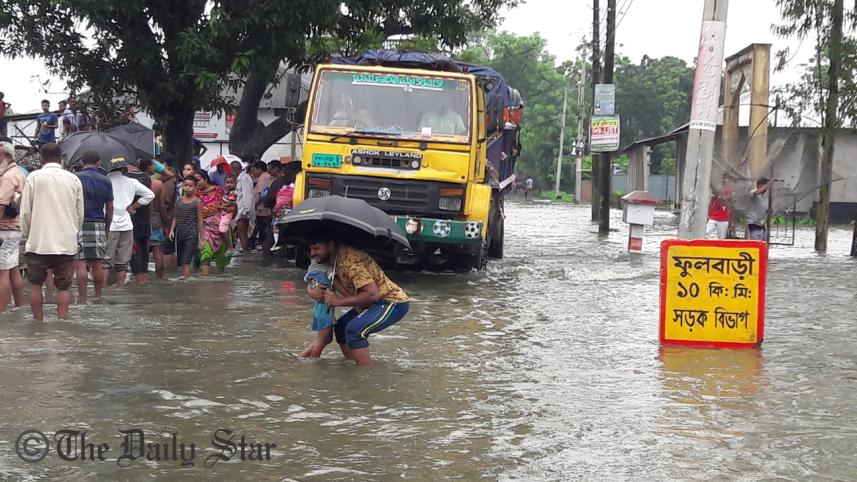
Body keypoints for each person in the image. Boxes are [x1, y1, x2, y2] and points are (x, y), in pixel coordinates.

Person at [307, 230, 410, 366]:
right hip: (369, 303)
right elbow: (316, 282)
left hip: (391, 302)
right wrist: (311, 291)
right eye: (310, 249)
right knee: (341, 328)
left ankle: (365, 375)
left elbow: (373, 295)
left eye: (316, 248)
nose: (313, 253)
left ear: (330, 245)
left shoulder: (349, 260)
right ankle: (353, 365)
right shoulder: (328, 261)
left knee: (354, 330)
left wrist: (338, 301)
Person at [20, 143, 84, 321]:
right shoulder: (73, 179)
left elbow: (25, 212)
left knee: (35, 285)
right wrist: (73, 233)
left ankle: (38, 324)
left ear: (41, 157)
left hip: (39, 241)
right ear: (61, 157)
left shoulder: (33, 178)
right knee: (64, 287)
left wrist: (27, 236)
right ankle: (62, 323)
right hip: (65, 242)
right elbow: (80, 214)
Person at [105, 158, 154, 289]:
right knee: (123, 263)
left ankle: (102, 291)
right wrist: (133, 206)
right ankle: (120, 288)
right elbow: (150, 195)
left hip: (110, 226)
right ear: (124, 169)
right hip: (127, 226)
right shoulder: (131, 182)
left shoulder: (105, 181)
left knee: (105, 262)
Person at [74, 150, 114, 302]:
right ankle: (98, 296)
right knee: (97, 262)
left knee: (80, 262)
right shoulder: (106, 180)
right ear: (98, 163)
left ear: (82, 163)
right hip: (98, 222)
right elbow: (110, 207)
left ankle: (82, 298)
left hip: (79, 222)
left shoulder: (75, 178)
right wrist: (107, 227)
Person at [0, 139, 26, 311]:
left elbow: (1, 205)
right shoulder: (20, 173)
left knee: (2, 273)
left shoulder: (8, 177)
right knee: (14, 270)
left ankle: (1, 313)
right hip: (15, 229)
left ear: (7, 156)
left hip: (4, 229)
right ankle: (19, 308)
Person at [194, 170, 230, 275]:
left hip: (219, 226)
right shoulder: (195, 194)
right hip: (203, 227)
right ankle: (205, 284)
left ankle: (220, 283)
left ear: (205, 179)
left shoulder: (218, 191)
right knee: (205, 254)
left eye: (198, 180)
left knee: (221, 257)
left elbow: (227, 206)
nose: (197, 183)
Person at [168, 177, 204, 279]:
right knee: (181, 262)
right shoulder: (179, 200)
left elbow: (200, 221)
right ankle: (185, 280)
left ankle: (186, 282)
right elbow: (175, 217)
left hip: (191, 235)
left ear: (195, 187)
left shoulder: (197, 202)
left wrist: (202, 239)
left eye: (190, 186)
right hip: (180, 235)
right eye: (186, 185)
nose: (188, 188)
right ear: (183, 186)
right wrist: (171, 230)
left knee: (186, 261)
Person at [299, 260, 335, 358]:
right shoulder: (324, 268)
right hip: (324, 308)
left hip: (321, 307)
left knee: (326, 339)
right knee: (322, 339)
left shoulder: (314, 266)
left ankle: (301, 357)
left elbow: (309, 281)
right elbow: (320, 288)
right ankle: (314, 359)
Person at [126, 159, 154, 284]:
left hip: (130, 221)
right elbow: (150, 200)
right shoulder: (146, 178)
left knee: (134, 252)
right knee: (144, 252)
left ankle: (139, 281)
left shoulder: (125, 178)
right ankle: (144, 280)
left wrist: (132, 207)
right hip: (145, 220)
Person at [144, 159, 166, 279]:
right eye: (153, 165)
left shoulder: (134, 182)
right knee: (158, 252)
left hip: (141, 222)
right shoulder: (158, 184)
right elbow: (162, 206)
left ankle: (142, 278)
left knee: (142, 252)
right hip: (156, 220)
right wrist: (166, 221)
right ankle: (160, 279)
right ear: (149, 168)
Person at [159, 164, 178, 271]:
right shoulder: (172, 183)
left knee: (167, 247)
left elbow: (166, 202)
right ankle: (171, 271)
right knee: (169, 247)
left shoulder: (168, 183)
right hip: (170, 218)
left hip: (168, 219)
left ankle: (169, 272)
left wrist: (164, 219)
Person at [252, 160, 273, 252]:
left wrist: (255, 205)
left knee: (262, 227)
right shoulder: (266, 176)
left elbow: (261, 193)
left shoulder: (263, 178)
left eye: (255, 169)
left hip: (261, 208)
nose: (253, 172)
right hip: (263, 208)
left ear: (259, 169)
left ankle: (262, 245)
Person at [235, 161, 255, 255]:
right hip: (241, 209)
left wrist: (245, 211)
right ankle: (243, 250)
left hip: (243, 210)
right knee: (241, 232)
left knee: (242, 233)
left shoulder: (244, 179)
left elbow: (247, 195)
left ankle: (245, 252)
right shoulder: (242, 178)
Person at [747, 177, 774, 241]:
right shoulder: (753, 192)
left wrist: (770, 211)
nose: (766, 188)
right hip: (754, 223)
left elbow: (767, 210)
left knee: (763, 244)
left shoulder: (765, 197)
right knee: (756, 244)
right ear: (759, 185)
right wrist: (767, 185)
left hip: (763, 224)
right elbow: (756, 193)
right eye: (764, 185)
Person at [707, 175, 733, 239]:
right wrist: (708, 215)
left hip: (724, 219)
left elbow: (731, 207)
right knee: (707, 234)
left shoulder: (731, 191)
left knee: (721, 239)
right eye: (723, 178)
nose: (724, 180)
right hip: (713, 217)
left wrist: (732, 221)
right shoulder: (717, 189)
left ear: (729, 181)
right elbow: (711, 202)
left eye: (726, 178)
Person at [218, 174, 238, 256]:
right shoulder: (226, 193)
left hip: (228, 213)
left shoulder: (233, 192)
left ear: (235, 184)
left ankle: (229, 247)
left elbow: (230, 202)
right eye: (227, 182)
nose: (229, 184)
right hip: (225, 212)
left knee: (222, 229)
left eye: (231, 182)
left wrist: (221, 206)